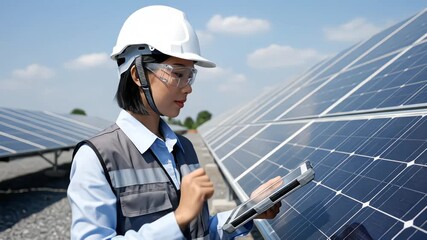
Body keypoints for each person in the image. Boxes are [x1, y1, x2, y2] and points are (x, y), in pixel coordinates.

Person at [67, 5, 281, 240]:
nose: (188, 87)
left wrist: (250, 210)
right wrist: (178, 219)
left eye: (190, 75)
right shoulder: (97, 157)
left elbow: (201, 232)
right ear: (138, 75)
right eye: (178, 74)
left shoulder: (184, 148)